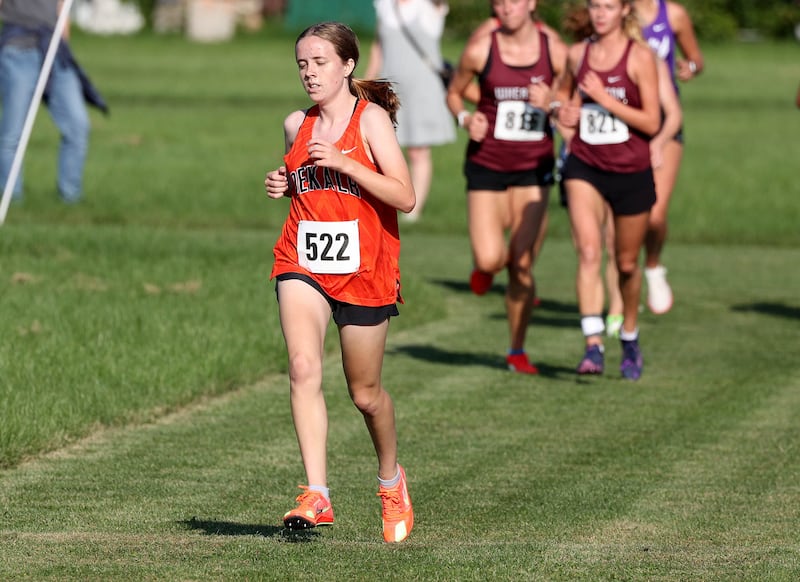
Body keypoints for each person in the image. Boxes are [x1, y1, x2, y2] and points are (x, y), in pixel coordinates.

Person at [264, 22, 415, 543]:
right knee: (303, 366)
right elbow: (306, 185)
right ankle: (317, 493)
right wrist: (282, 183)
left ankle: (391, 479)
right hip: (301, 260)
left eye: (320, 62)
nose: (309, 72)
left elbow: (404, 196)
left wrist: (349, 164)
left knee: (365, 393)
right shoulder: (295, 124)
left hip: (365, 270)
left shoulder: (369, 121)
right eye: (302, 63)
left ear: (348, 65)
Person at [446, 0, 568, 375]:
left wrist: (554, 103)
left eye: (513, 0)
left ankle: (516, 348)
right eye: (499, 1)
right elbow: (454, 92)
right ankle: (484, 269)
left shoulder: (556, 50)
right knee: (489, 259)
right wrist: (467, 118)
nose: (505, 7)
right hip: (488, 165)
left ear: (532, 4)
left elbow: (575, 101)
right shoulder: (482, 48)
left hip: (534, 169)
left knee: (522, 263)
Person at [559, 2, 682, 339]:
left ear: (624, 11)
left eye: (608, 7)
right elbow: (563, 101)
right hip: (585, 163)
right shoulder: (577, 54)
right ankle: (592, 343)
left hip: (630, 166)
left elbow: (657, 119)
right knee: (588, 250)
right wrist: (563, 115)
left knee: (626, 260)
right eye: (595, 6)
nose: (600, 13)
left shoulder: (642, 57)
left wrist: (605, 100)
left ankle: (628, 329)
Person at [632, 0, 704, 314]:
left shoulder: (673, 14)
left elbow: (696, 58)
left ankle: (653, 265)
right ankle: (620, 291)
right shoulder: (613, 11)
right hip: (623, 120)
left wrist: (692, 67)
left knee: (655, 215)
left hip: (665, 120)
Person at [364, 0, 455, 222]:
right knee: (380, 148)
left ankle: (413, 210)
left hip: (422, 89)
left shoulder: (429, 7)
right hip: (390, 89)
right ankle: (383, 203)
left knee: (418, 150)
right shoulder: (385, 6)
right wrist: (366, 82)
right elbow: (378, 48)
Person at [0, 0, 92, 203]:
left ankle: (70, 196)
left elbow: (62, 8)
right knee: (12, 134)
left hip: (54, 49)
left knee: (78, 125)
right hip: (18, 50)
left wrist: (63, 41)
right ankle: (11, 197)